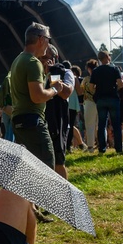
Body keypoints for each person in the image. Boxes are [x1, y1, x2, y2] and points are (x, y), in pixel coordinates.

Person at [9, 22, 70, 168]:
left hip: (19, 120)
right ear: (41, 39)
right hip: (33, 121)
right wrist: (55, 89)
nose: (48, 44)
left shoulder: (18, 59)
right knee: (46, 167)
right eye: (48, 40)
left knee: (26, 169)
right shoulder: (32, 62)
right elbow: (37, 96)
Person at [43, 45, 75, 179]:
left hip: (57, 120)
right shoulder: (34, 72)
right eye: (40, 57)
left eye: (46, 57)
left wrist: (53, 73)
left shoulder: (65, 72)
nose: (42, 60)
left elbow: (65, 93)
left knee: (58, 160)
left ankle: (63, 197)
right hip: (39, 120)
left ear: (54, 58)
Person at [89, 50, 123, 154]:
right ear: (108, 57)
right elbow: (121, 84)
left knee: (101, 125)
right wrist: (115, 88)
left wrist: (97, 90)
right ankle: (119, 148)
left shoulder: (96, 71)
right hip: (113, 98)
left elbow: (91, 87)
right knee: (116, 125)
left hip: (100, 99)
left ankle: (102, 149)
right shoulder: (115, 69)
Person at [80, 59, 98, 151]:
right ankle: (101, 144)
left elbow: (81, 91)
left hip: (89, 102)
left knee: (89, 125)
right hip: (99, 102)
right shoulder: (100, 78)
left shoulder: (86, 79)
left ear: (89, 69)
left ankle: (90, 146)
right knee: (99, 125)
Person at [0, 72, 14, 141]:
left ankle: (7, 145)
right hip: (13, 109)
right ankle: (11, 147)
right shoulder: (15, 86)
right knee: (11, 131)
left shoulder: (1, 87)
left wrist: (1, 106)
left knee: (7, 131)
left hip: (4, 109)